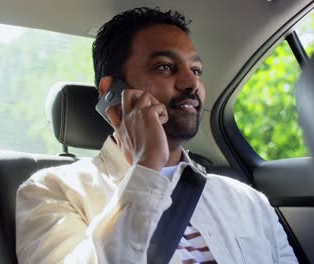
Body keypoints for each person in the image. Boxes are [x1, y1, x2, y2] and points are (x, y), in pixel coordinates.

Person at [16, 7, 298, 264]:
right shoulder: (53, 190)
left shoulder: (248, 200)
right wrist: (146, 167)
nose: (192, 83)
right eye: (164, 66)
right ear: (111, 92)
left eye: (196, 70)